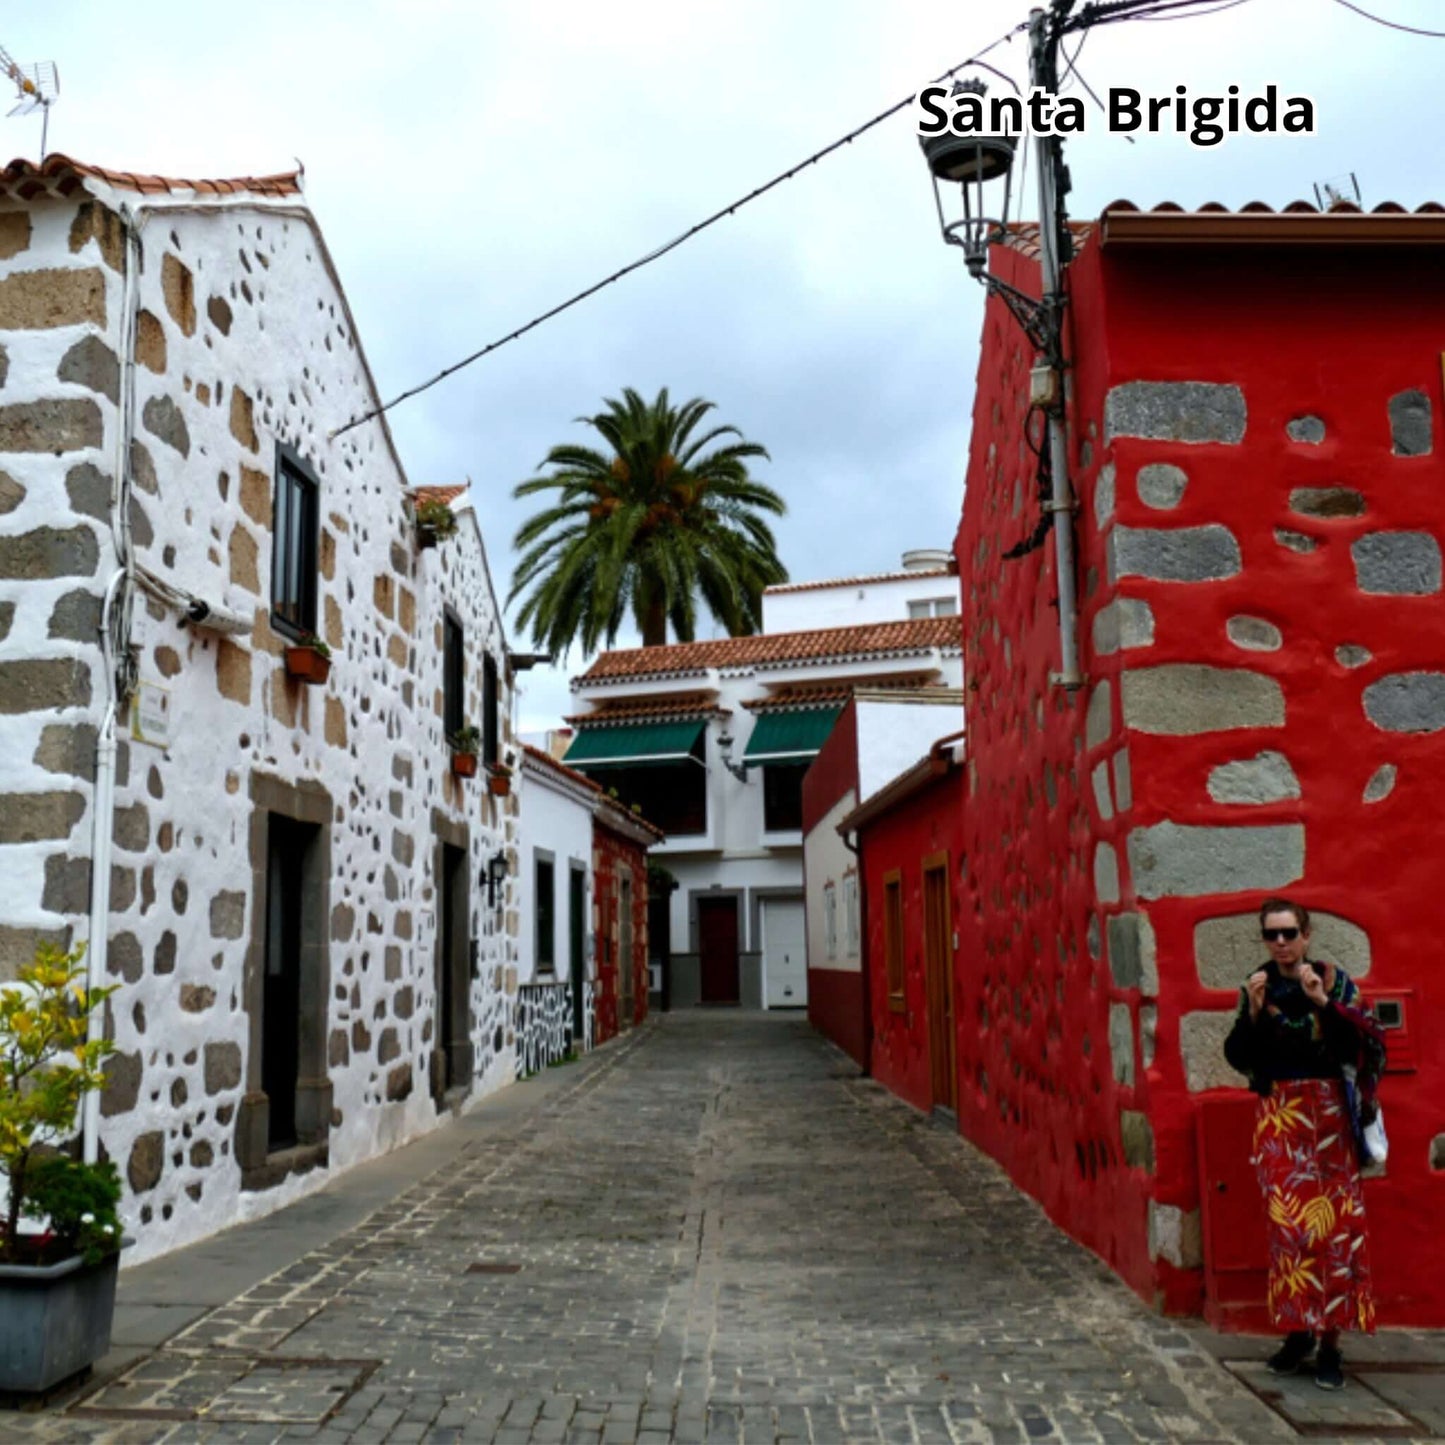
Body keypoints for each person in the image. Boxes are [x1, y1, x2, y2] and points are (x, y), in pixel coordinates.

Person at [1223, 897, 1385, 1392]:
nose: (1281, 944)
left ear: (1307, 936)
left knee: (1336, 1235)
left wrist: (1322, 1004)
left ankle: (1331, 1345)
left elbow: (1367, 1044)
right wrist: (1252, 1013)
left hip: (1331, 1118)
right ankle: (1298, 1334)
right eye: (1272, 935)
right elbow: (1238, 1056)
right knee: (1290, 1231)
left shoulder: (1333, 984)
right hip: (1280, 1119)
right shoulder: (1258, 986)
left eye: (1289, 933)